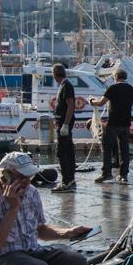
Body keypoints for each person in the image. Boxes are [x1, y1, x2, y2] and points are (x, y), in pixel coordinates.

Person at [91, 66, 133, 183]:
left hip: (113, 123)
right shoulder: (132, 89)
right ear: (125, 77)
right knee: (124, 150)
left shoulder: (112, 88)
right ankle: (123, 175)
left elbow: (101, 103)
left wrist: (92, 101)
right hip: (126, 123)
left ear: (116, 77)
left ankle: (106, 174)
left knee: (107, 148)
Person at [49, 62, 78, 192]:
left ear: (54, 74)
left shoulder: (66, 86)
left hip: (63, 123)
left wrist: (65, 125)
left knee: (62, 152)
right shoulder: (64, 85)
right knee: (69, 151)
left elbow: (71, 105)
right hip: (62, 123)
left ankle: (66, 181)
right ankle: (70, 179)